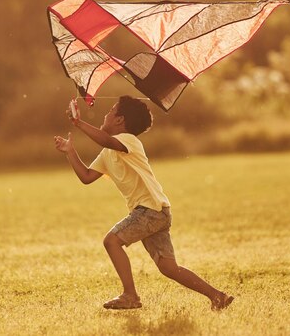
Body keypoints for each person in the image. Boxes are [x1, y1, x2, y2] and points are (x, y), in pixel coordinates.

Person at [53, 95, 234, 311]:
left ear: (120, 120)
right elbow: (86, 177)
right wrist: (70, 152)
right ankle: (218, 297)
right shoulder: (108, 152)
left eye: (111, 110)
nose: (106, 113)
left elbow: (105, 139)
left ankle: (130, 296)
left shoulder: (129, 141)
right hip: (157, 211)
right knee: (168, 268)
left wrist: (78, 123)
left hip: (150, 211)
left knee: (111, 241)